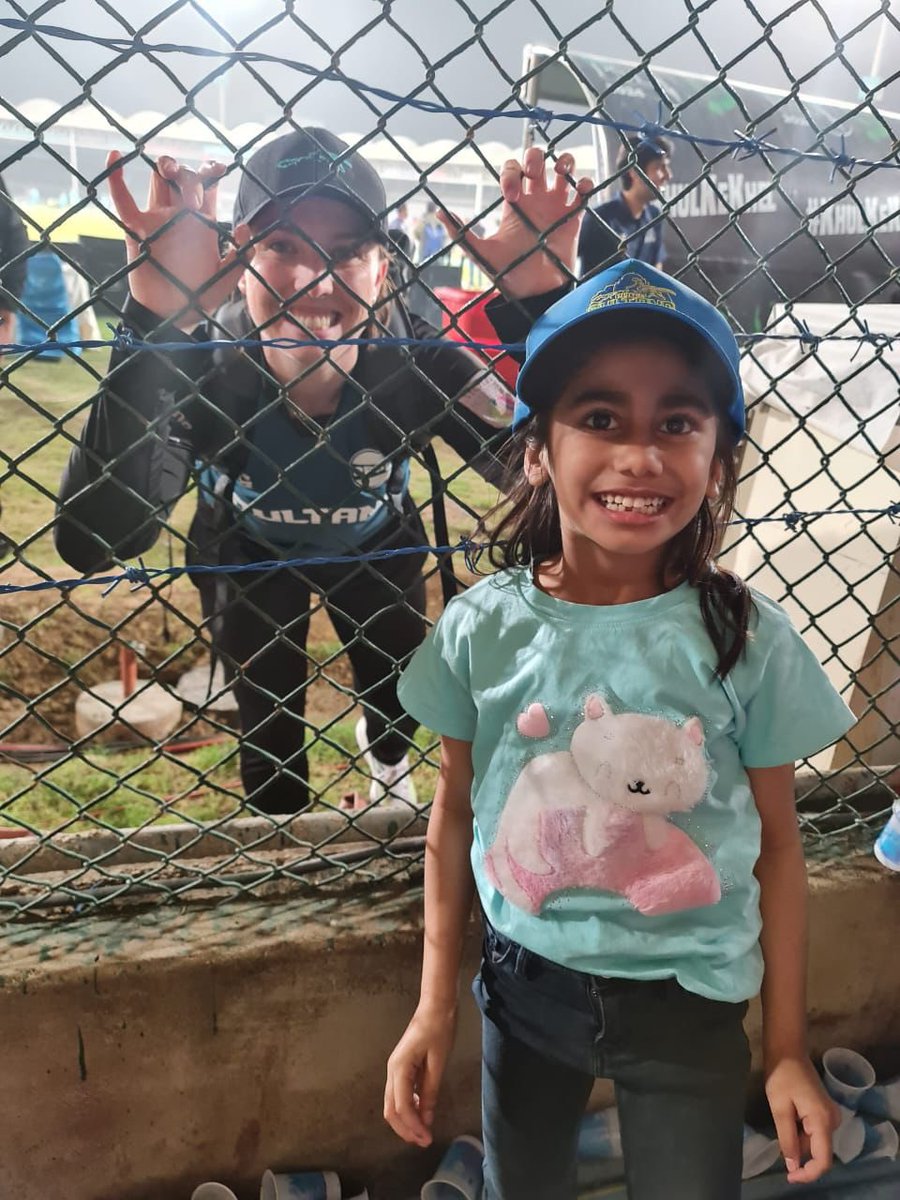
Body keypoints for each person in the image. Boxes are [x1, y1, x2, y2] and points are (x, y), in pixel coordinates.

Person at [384, 162, 855, 1198]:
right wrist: (432, 1010)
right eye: (600, 417)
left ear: (721, 453)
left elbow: (780, 847)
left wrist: (783, 1048)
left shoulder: (746, 640)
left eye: (678, 422)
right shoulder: (481, 628)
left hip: (690, 1006)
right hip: (522, 991)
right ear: (540, 448)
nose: (640, 455)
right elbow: (454, 817)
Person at [54, 128, 520, 816]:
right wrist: (154, 319)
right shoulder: (206, 359)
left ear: (381, 268)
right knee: (267, 725)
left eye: (346, 253)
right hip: (248, 549)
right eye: (282, 248)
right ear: (239, 257)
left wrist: (539, 299)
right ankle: (284, 851)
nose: (316, 281)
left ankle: (388, 764)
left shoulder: (414, 356)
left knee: (396, 690)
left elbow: (547, 471)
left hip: (374, 541)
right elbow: (93, 540)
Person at [578, 135, 672, 276]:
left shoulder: (654, 216)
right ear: (634, 172)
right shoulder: (599, 219)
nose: (668, 175)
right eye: (659, 167)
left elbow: (657, 267)